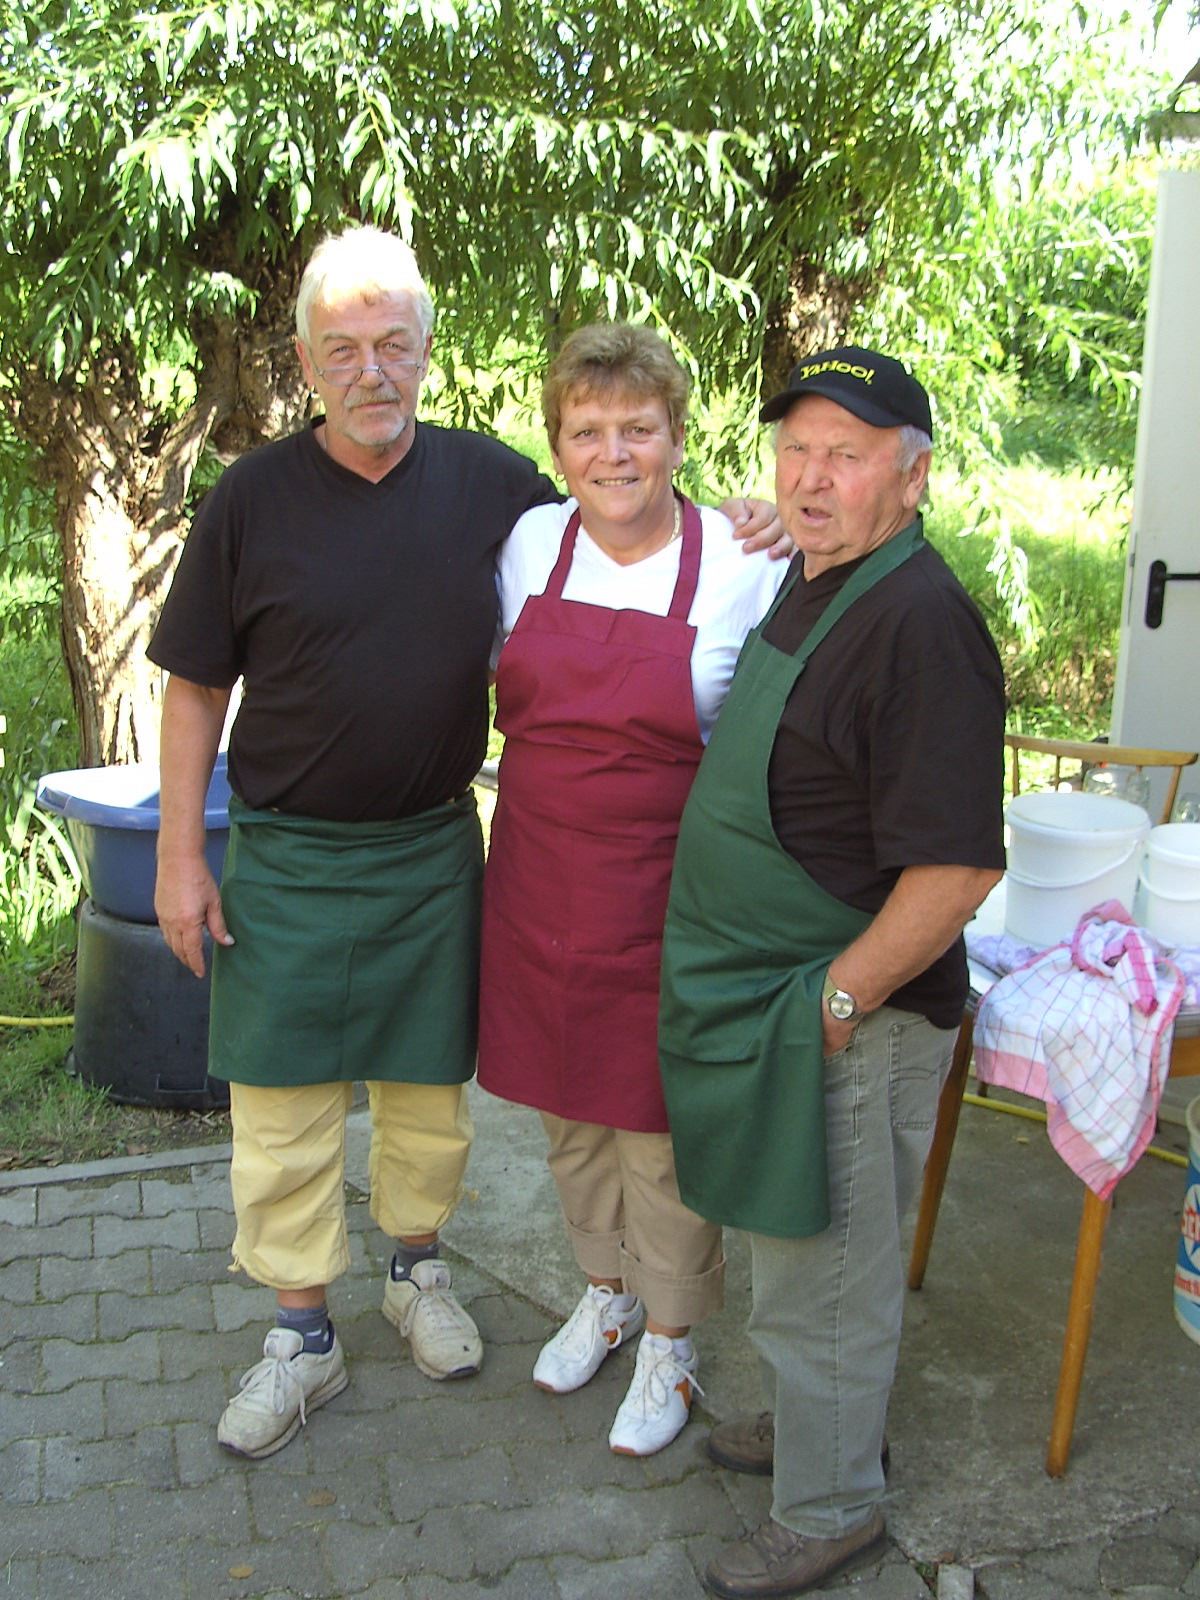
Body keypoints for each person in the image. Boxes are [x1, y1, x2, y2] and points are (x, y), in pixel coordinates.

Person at [148, 227, 784, 1461]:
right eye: (343, 348)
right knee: (281, 1107)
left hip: (436, 850)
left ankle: (420, 1276)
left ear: (428, 352)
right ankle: (301, 1336)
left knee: (428, 1101)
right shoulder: (252, 499)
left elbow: (631, 509)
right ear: (305, 361)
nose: (370, 370)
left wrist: (753, 517)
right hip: (286, 852)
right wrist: (182, 853)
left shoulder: (498, 490)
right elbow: (193, 686)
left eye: (393, 344)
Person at [656, 348, 1006, 1596]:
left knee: (833, 1276)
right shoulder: (817, 578)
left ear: (912, 478)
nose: (810, 478)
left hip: (853, 1009)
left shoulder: (923, 628)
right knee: (795, 1251)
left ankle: (833, 1503)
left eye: (846, 456)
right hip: (778, 995)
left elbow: (956, 871)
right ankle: (823, 1425)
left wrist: (840, 1001)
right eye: (796, 449)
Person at [477, 323, 788, 1457]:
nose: (614, 454)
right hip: (536, 878)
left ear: (677, 437)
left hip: (668, 891)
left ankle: (671, 1339)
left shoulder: (744, 557)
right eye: (588, 431)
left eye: (638, 429)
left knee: (657, 1129)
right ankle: (604, 1293)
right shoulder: (528, 543)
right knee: (566, 1113)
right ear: (558, 446)